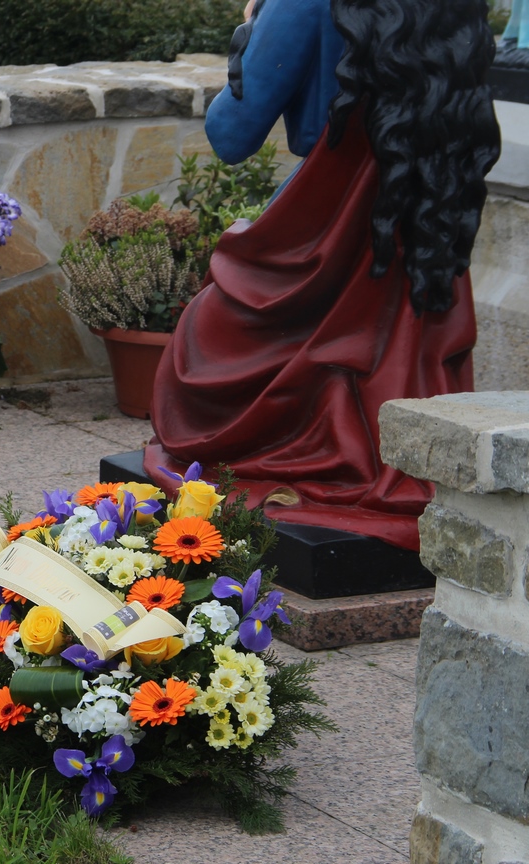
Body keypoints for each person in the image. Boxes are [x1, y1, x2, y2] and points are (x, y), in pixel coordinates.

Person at [144, 0, 502, 551]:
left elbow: (231, 135)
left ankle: (320, 446)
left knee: (201, 344)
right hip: (420, 232)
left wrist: (252, 26)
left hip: (326, 229)